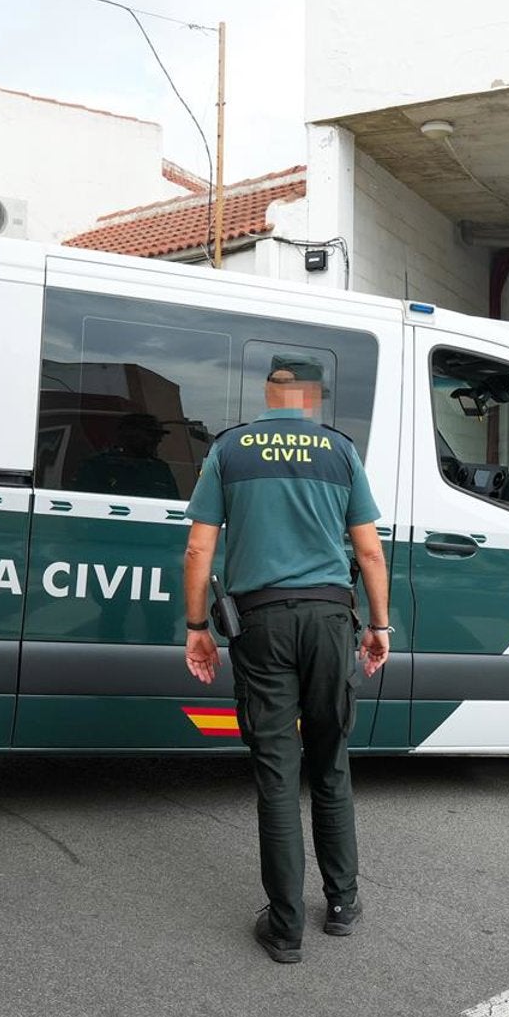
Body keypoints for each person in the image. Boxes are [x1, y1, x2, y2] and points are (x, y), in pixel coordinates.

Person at [181, 355, 391, 964]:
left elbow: (199, 548)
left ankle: (286, 928)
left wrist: (197, 628)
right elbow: (370, 554)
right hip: (330, 621)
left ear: (269, 394)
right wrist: (378, 626)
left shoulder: (231, 450)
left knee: (277, 772)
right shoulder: (340, 452)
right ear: (312, 399)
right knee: (329, 763)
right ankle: (344, 904)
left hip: (261, 623)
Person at [71, 411, 179, 499]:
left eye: (158, 436)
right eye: (151, 435)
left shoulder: (160, 469)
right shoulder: (97, 466)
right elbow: (82, 504)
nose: (158, 440)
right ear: (129, 435)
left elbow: (175, 505)